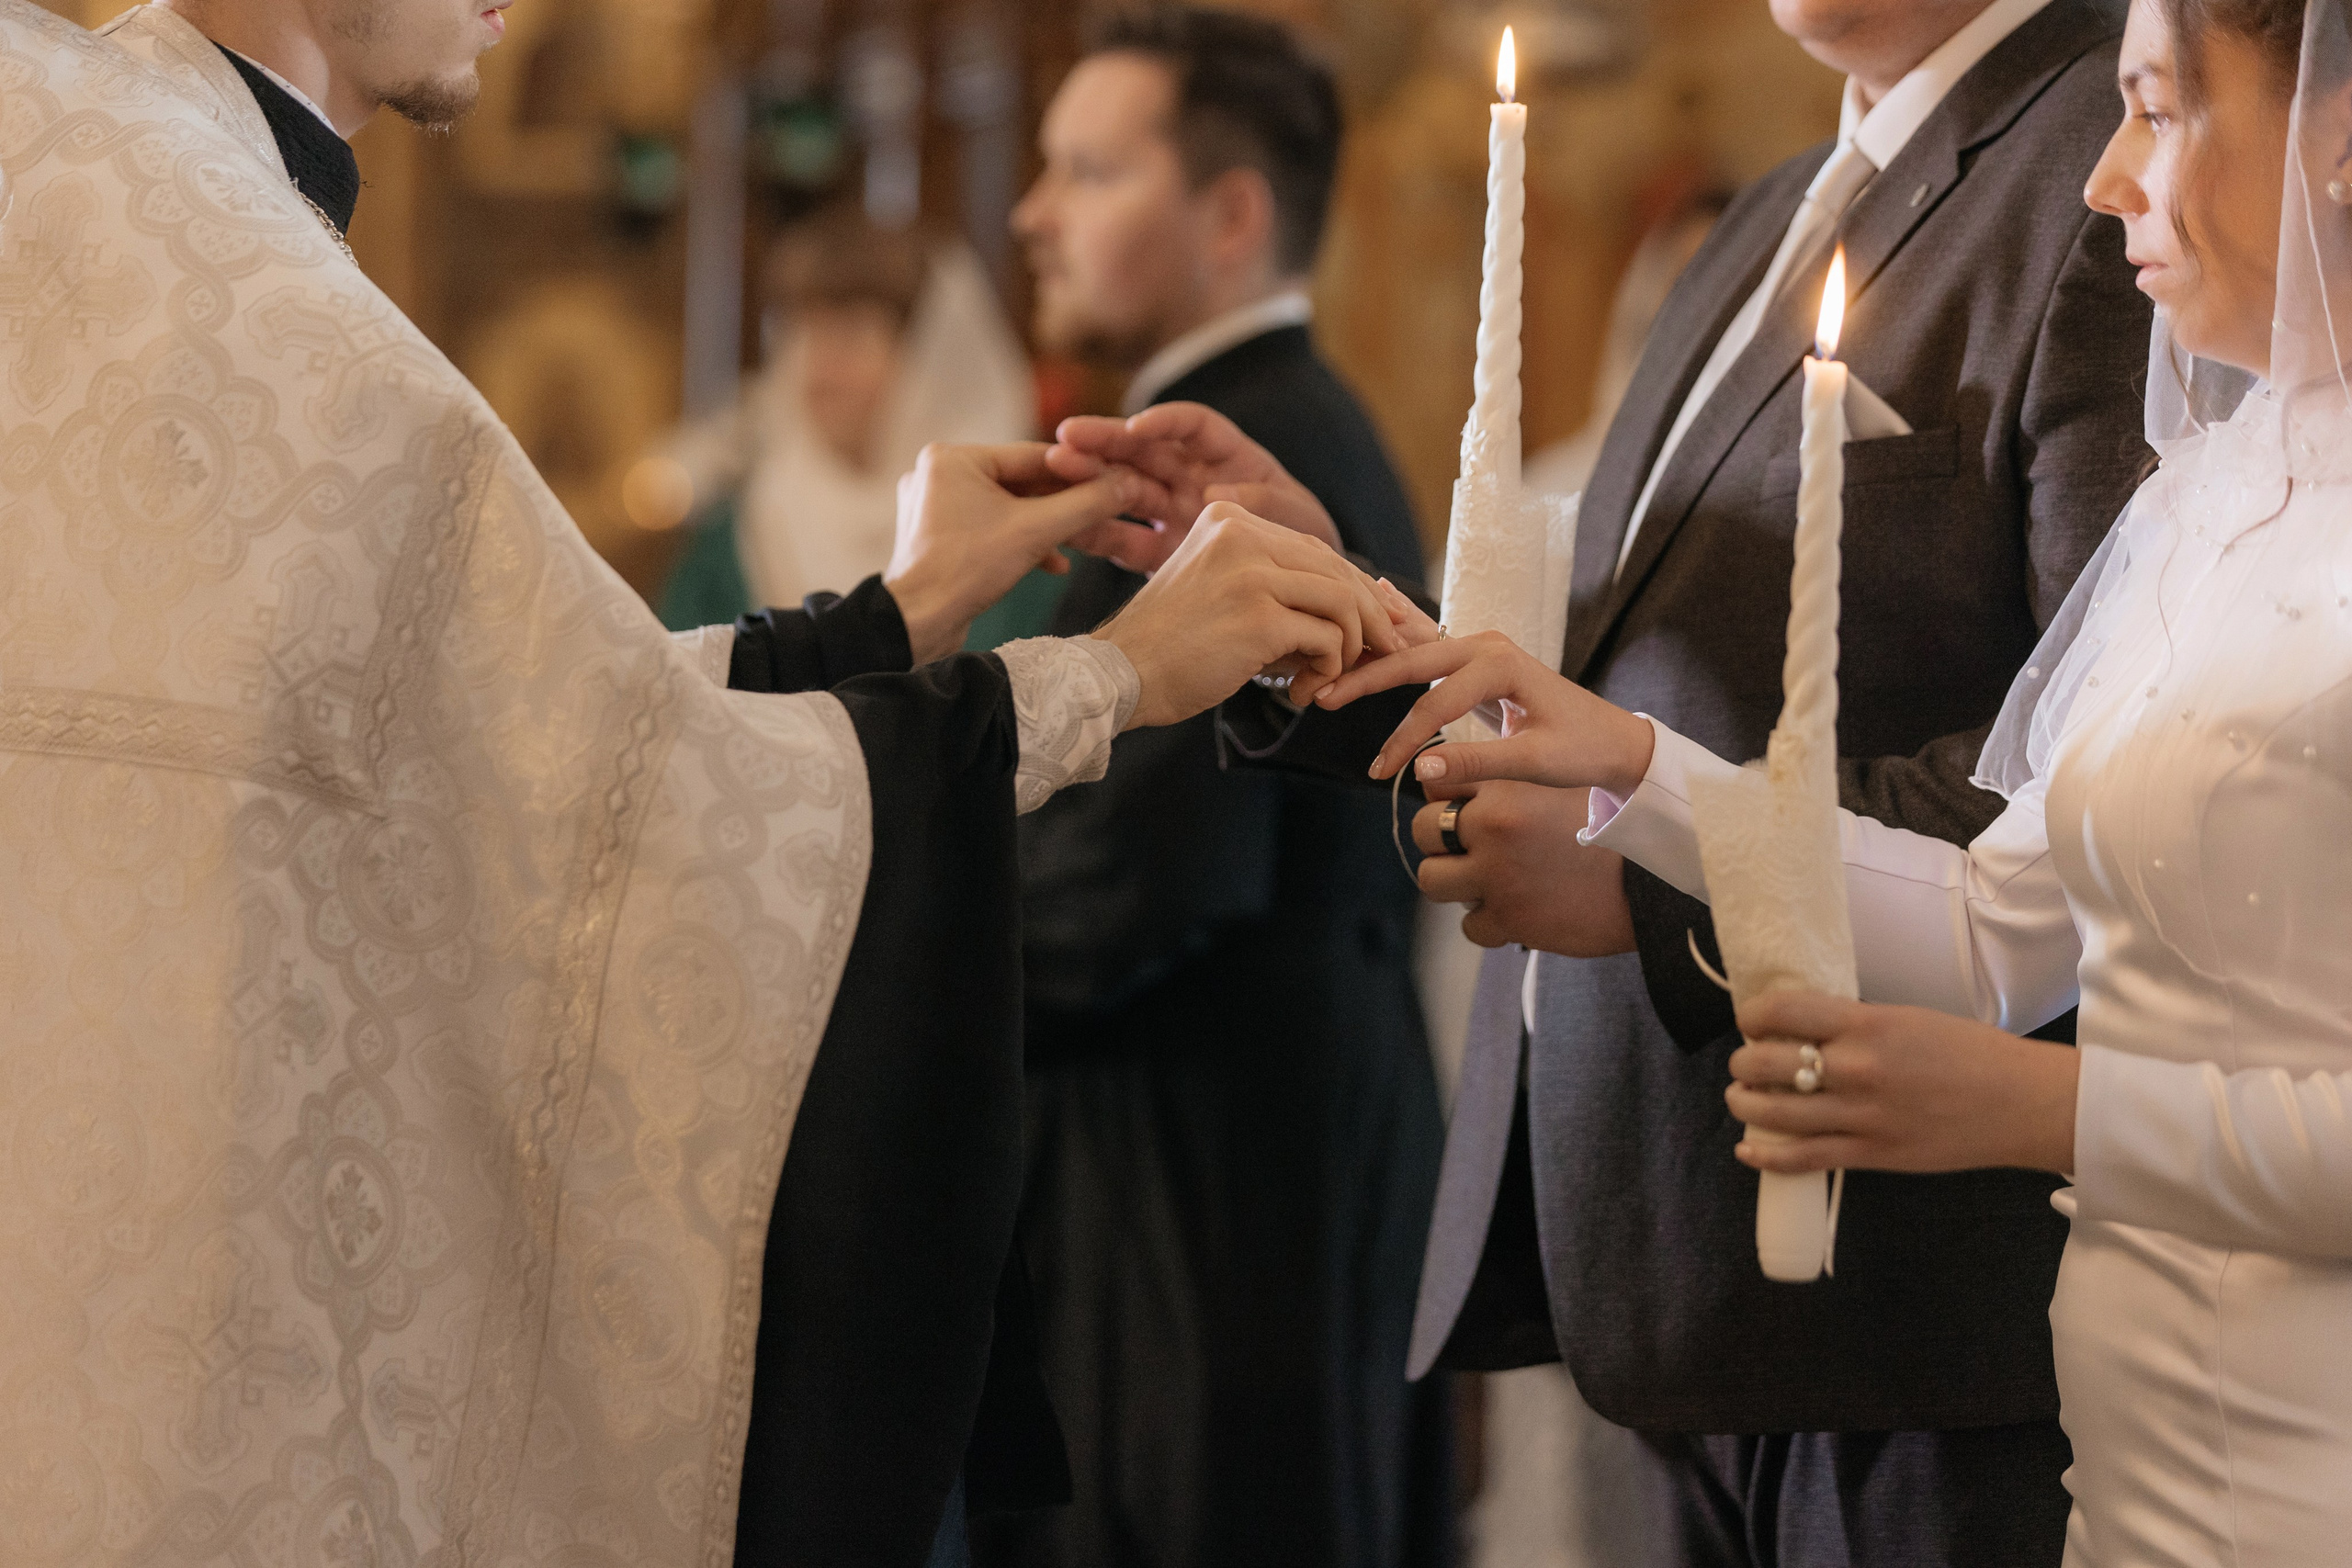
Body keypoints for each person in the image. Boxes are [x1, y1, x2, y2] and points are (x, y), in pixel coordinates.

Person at [0, 4, 1409, 1563]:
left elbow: (526, 743)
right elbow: (594, 795)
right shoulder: (235, 273)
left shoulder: (105, 179)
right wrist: (1112, 677)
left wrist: (890, 620)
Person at [1067, 2, 2156, 1563]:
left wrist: (1646, 886)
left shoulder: (2114, 169)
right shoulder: (1776, 215)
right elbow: (1602, 688)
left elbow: (2103, 785)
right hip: (1674, 1265)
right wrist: (1334, 606)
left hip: (1910, 1309)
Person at [1329, 5, 2352, 1562]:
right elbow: (2000, 916)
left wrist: (2048, 1108)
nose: (2107, 176)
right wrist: (1636, 768)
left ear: (2338, 138)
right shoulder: (2212, 499)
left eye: (2156, 109)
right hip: (2135, 1455)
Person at [978, 11, 1447, 1568]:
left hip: (1214, 1191)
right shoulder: (1292, 428)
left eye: (1088, 170)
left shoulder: (1242, 469)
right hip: (1239, 1145)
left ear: (1230, 213)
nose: (1034, 213)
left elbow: (1125, 877)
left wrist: (873, 915)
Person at [658, 208, 1037, 633]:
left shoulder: (1007, 539)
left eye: (851, 337)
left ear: (928, 364)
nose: (820, 369)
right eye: (805, 335)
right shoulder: (737, 533)